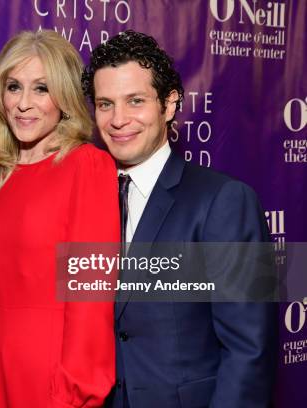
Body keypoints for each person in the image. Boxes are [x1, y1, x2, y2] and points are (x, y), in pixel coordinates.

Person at [82, 30, 277, 408]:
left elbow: (249, 350)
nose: (118, 119)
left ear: (169, 105)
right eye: (105, 104)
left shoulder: (224, 201)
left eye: (135, 101)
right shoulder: (87, 199)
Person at [0, 30, 119, 407]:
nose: (23, 103)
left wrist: (76, 391)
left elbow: (91, 292)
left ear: (65, 99)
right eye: (14, 86)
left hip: (49, 369)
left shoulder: (87, 165)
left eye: (41, 89)